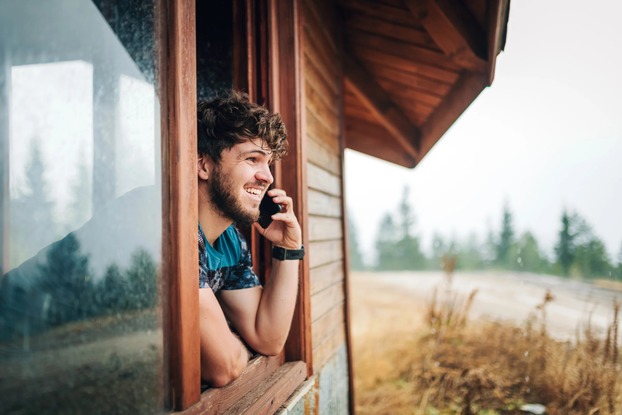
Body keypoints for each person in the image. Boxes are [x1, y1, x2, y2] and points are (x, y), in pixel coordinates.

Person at [196, 91, 304, 387]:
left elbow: (268, 338)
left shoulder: (230, 240)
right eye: (252, 159)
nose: (267, 176)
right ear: (204, 165)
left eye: (268, 163)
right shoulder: (175, 237)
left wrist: (288, 250)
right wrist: (233, 345)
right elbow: (225, 366)